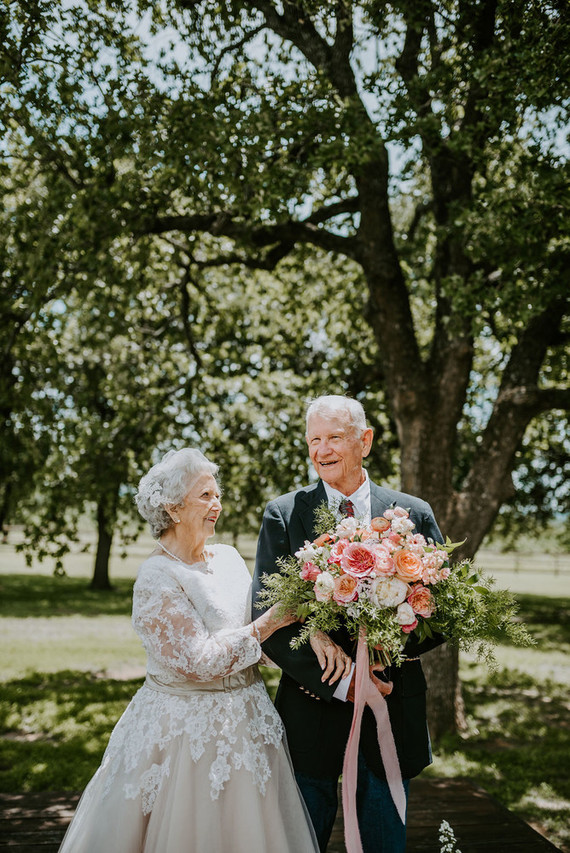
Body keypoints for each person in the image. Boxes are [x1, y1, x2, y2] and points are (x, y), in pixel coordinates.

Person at [59, 447, 346, 853]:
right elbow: (200, 661)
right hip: (184, 735)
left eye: (217, 494)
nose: (218, 505)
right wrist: (274, 621)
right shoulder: (156, 576)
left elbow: (255, 635)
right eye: (205, 496)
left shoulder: (228, 558)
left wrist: (307, 632)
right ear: (173, 508)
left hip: (248, 724)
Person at [252, 395, 445, 853]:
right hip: (311, 713)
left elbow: (443, 611)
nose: (322, 451)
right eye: (314, 439)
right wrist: (344, 683)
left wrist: (384, 653)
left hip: (390, 710)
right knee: (304, 842)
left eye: (334, 437)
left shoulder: (412, 513)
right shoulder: (283, 514)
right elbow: (269, 619)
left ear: (366, 441)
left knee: (383, 841)